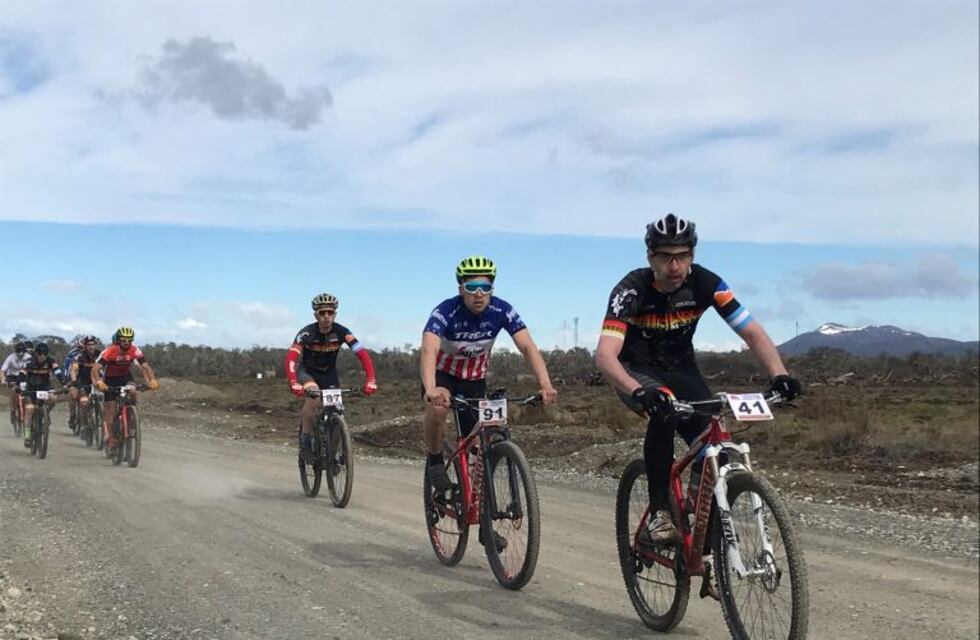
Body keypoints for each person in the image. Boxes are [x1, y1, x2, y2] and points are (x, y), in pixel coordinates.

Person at [594, 214, 801, 546]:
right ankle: (660, 511)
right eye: (665, 256)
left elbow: (751, 332)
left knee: (714, 440)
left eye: (682, 256)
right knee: (664, 411)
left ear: (692, 255)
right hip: (634, 370)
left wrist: (780, 375)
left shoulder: (708, 284)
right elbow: (605, 355)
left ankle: (699, 512)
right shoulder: (630, 289)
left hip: (681, 368)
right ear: (651, 257)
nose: (674, 265)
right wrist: (637, 391)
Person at [420, 256, 559, 496]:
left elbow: (527, 347)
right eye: (472, 287)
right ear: (461, 289)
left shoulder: (501, 309)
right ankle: (435, 460)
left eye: (485, 288)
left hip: (474, 380)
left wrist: (545, 385)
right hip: (443, 377)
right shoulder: (446, 310)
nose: (479, 294)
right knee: (439, 408)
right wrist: (431, 388)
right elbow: (428, 348)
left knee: (481, 444)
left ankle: (481, 508)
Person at [284, 293, 378, 464]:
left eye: (330, 312)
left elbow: (362, 354)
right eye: (322, 313)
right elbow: (291, 358)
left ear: (335, 314)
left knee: (337, 411)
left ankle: (331, 456)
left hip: (329, 374)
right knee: (314, 397)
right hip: (308, 372)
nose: (326, 316)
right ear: (316, 315)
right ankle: (305, 440)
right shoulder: (306, 333)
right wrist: (293, 382)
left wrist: (371, 379)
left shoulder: (342, 332)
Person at [91, 327, 160, 455]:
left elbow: (145, 366)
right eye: (123, 340)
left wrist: (152, 380)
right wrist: (99, 382)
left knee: (132, 392)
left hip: (126, 378)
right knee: (110, 409)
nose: (126, 343)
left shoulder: (135, 350)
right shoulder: (110, 351)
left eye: (129, 340)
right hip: (110, 380)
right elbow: (95, 369)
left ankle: (131, 416)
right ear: (118, 341)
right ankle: (111, 437)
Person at [17, 341, 64, 448]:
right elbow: (22, 374)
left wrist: (65, 384)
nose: (42, 356)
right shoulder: (29, 362)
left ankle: (46, 413)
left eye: (44, 354)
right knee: (29, 410)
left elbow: (58, 373)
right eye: (40, 354)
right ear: (36, 353)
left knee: (53, 399)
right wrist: (17, 385)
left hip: (45, 388)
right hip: (31, 389)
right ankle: (28, 436)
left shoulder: (51, 361)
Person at [69, 335, 101, 436]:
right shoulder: (79, 356)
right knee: (84, 403)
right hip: (83, 382)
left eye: (93, 344)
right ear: (85, 346)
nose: (91, 347)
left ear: (95, 345)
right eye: (88, 345)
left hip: (97, 381)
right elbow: (73, 370)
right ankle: (83, 425)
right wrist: (74, 380)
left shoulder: (101, 355)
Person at [2, 341, 33, 426]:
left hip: (24, 377)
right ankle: (12, 410)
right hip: (12, 377)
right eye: (18, 352)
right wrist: (3, 380)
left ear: (25, 351)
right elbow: (2, 370)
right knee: (13, 391)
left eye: (22, 352)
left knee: (29, 392)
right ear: (15, 351)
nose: (20, 354)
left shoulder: (29, 357)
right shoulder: (10, 357)